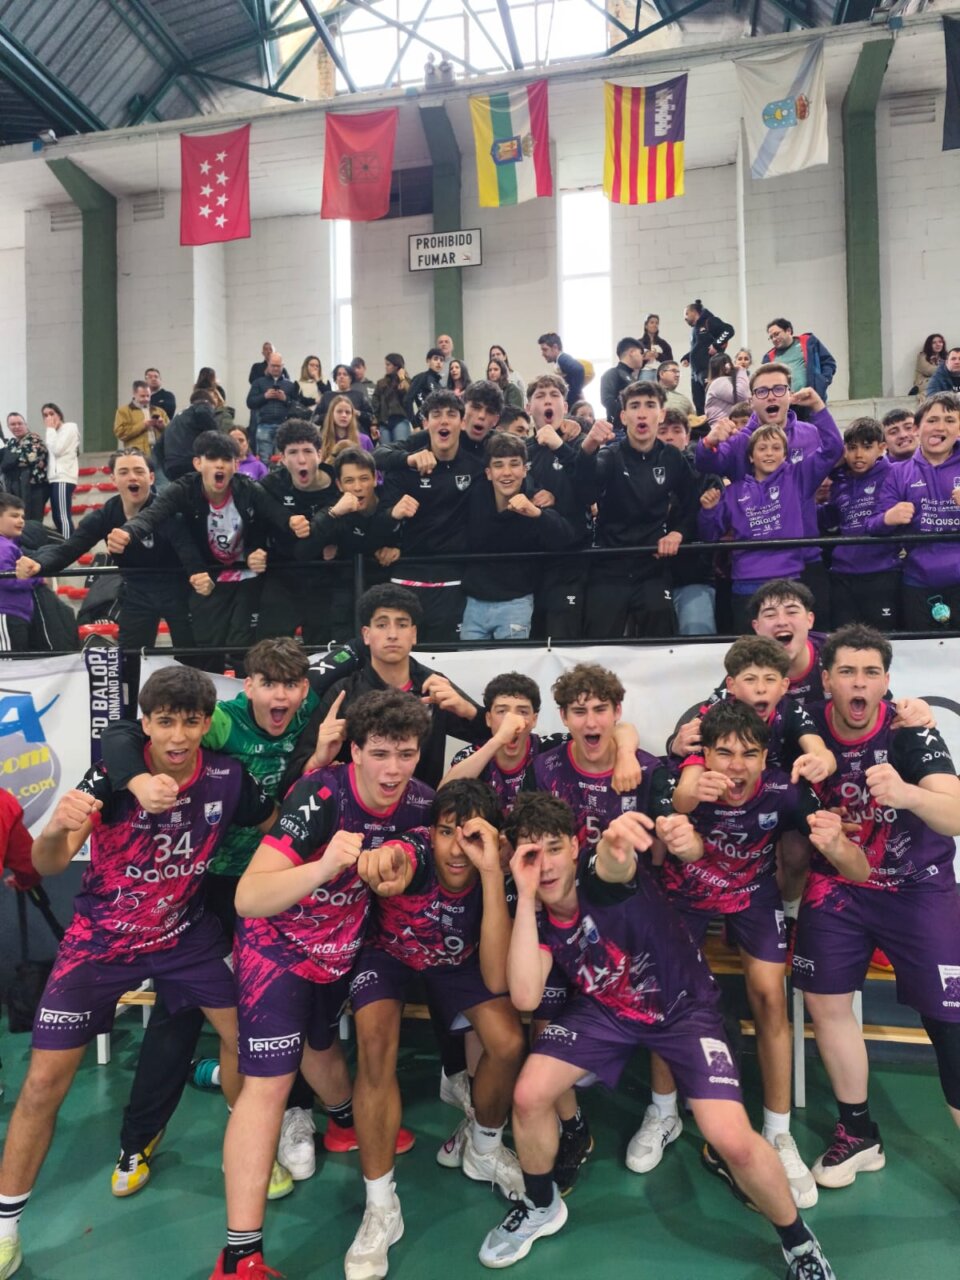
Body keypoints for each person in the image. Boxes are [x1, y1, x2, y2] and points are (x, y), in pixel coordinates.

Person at [477, 792, 837, 1280]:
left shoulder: (599, 877)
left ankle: (799, 1243)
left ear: (577, 846)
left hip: (682, 1010)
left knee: (731, 1138)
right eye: (531, 853)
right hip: (607, 1011)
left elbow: (614, 867)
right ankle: (542, 1206)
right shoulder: (536, 912)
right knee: (528, 1094)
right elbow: (523, 996)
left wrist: (618, 847)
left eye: (555, 848)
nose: (545, 865)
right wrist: (519, 895)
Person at [0, 666, 275, 1280]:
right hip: (99, 943)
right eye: (165, 721)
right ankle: (4, 1227)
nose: (178, 735)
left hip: (187, 936)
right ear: (145, 724)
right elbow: (46, 862)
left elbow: (271, 821)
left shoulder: (228, 777)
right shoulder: (109, 780)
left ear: (208, 724)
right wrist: (56, 826)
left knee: (245, 1039)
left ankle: (253, 1149)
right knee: (45, 1083)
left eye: (191, 721)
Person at [96, 640, 353, 1200]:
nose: (280, 695)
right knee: (178, 1009)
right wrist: (136, 781)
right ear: (248, 685)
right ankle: (137, 1139)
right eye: (268, 683)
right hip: (208, 881)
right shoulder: (218, 724)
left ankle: (287, 1118)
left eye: (291, 685)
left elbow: (353, 655)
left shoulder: (313, 709)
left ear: (304, 690)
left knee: (286, 1003)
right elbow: (122, 737)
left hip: (280, 881)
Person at [212, 691, 433, 1280]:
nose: (392, 769)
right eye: (379, 753)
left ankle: (341, 1121)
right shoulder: (324, 793)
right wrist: (324, 866)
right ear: (354, 750)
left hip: (343, 951)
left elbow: (424, 858)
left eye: (406, 754)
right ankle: (239, 1257)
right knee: (269, 1083)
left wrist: (403, 865)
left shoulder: (421, 803)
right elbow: (249, 896)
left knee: (322, 1046)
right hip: (276, 947)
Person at [655, 701, 863, 1207]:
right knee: (670, 993)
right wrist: (673, 822)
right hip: (685, 895)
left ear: (766, 756)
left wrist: (837, 839)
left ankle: (777, 1131)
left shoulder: (782, 788)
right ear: (703, 755)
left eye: (749, 754)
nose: (736, 766)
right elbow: (658, 838)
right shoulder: (678, 782)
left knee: (771, 996)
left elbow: (846, 855)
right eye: (723, 753)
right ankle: (661, 1112)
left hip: (754, 897)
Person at [795, 625, 960, 1188]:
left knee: (950, 1018)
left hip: (918, 884)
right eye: (847, 672)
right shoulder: (806, 727)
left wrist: (909, 794)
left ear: (887, 681)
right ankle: (859, 1133)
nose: (858, 683)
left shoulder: (910, 729)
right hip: (839, 885)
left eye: (871, 673)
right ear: (827, 680)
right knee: (827, 1003)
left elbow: (958, 815)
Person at [346, 780, 525, 1279]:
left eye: (468, 834)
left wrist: (491, 871)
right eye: (445, 831)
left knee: (509, 1042)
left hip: (457, 962)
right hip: (390, 956)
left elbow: (494, 976)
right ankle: (381, 1206)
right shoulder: (418, 855)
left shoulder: (498, 869)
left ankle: (483, 1150)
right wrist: (389, 864)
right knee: (375, 1043)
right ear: (432, 831)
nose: (454, 847)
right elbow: (397, 859)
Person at [107, 432, 301, 669]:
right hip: (207, 579)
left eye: (227, 459)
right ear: (198, 463)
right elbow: (153, 514)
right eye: (212, 458)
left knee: (245, 652)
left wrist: (285, 528)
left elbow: (273, 514)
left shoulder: (247, 488)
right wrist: (129, 531)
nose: (220, 464)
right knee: (207, 654)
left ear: (236, 465)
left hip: (247, 578)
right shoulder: (183, 489)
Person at [284, 583, 484, 793]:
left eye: (402, 624)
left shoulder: (435, 686)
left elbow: (499, 739)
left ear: (414, 634)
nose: (392, 634)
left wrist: (468, 711)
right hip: (353, 820)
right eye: (382, 625)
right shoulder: (344, 693)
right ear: (366, 635)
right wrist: (318, 759)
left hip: (421, 817)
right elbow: (291, 782)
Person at [696, 365, 842, 621]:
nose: (771, 396)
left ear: (789, 394)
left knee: (814, 637)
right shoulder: (740, 440)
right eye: (762, 391)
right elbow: (708, 465)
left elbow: (833, 449)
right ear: (751, 400)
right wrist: (710, 442)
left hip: (805, 559)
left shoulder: (810, 436)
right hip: (751, 569)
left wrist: (819, 406)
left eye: (778, 389)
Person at [16, 448, 196, 652]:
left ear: (151, 477)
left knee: (192, 655)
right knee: (131, 659)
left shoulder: (170, 511)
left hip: (178, 589)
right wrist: (38, 563)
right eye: (124, 472)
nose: (132, 477)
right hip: (136, 591)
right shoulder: (105, 516)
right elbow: (69, 549)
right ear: (113, 478)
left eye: (139, 471)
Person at [578, 381, 699, 639]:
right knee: (598, 643)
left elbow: (692, 503)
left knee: (659, 637)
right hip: (609, 565)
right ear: (624, 416)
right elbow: (584, 493)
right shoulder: (610, 455)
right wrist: (587, 449)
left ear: (661, 414)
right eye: (634, 406)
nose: (642, 413)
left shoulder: (673, 457)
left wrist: (678, 533)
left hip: (652, 565)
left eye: (650, 405)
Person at [379, 390, 485, 642]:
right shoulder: (406, 466)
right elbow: (377, 523)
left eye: (451, 414)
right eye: (436, 415)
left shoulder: (477, 468)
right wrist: (392, 517)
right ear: (426, 423)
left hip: (454, 581)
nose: (444, 421)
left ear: (462, 421)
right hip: (408, 576)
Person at [460, 433, 575, 642]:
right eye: (498, 465)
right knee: (470, 669)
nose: (506, 473)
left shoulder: (538, 498)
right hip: (475, 601)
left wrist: (537, 514)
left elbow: (566, 537)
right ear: (488, 472)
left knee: (513, 668)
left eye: (514, 464)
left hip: (516, 601)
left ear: (525, 469)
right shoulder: (473, 497)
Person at [868, 391, 960, 629]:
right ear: (918, 428)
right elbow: (873, 526)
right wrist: (888, 518)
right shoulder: (899, 473)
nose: (940, 427)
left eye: (949, 420)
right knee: (923, 658)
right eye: (932, 420)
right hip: (917, 583)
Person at [297, 447, 403, 642]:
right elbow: (303, 550)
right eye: (349, 481)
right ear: (339, 484)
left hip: (385, 600)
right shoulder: (334, 508)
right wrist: (333, 514)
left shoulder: (392, 502)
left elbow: (418, 536)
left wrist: (399, 550)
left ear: (375, 478)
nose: (357, 487)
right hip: (342, 602)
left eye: (363, 478)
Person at [255, 420, 336, 646]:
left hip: (325, 578)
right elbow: (257, 527)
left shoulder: (339, 483)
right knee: (270, 649)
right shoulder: (271, 485)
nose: (301, 459)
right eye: (293, 452)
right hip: (283, 576)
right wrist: (256, 550)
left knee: (323, 651)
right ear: (282, 458)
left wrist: (339, 543)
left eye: (308, 451)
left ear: (320, 454)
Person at [818, 418, 900, 629]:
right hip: (842, 575)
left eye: (867, 447)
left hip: (881, 573)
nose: (859, 454)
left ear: (882, 448)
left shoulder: (894, 475)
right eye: (852, 448)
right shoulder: (840, 482)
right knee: (844, 640)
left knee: (884, 639)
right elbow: (830, 520)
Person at [656, 409, 720, 635]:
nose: (669, 437)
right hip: (648, 577)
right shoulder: (633, 470)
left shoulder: (706, 473)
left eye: (676, 431)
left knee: (697, 633)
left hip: (694, 575)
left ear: (687, 435)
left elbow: (711, 527)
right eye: (662, 431)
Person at [0, 495, 44, 652]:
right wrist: (37, 578)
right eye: (14, 516)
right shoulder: (3, 547)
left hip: (15, 614)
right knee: (8, 668)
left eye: (22, 516)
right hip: (6, 613)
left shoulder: (10, 545)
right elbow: (8, 579)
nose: (21, 521)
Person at [763, 319, 836, 407]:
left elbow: (828, 362)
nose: (774, 339)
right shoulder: (769, 358)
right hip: (787, 407)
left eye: (776, 334)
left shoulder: (809, 342)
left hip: (811, 401)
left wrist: (823, 381)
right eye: (771, 337)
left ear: (788, 331)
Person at [681, 299, 735, 416]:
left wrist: (716, 345)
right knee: (699, 405)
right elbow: (698, 348)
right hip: (695, 374)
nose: (684, 318)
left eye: (686, 314)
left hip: (708, 370)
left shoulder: (709, 321)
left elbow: (729, 330)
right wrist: (688, 357)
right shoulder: (694, 330)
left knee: (712, 401)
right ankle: (704, 431)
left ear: (694, 312)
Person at [153, 390, 220, 483]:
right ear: (209, 402)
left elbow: (157, 448)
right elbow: (204, 415)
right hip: (190, 463)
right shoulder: (203, 406)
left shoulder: (176, 418)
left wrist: (166, 468)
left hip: (172, 468)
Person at [246, 352, 298, 464]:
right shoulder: (258, 383)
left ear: (283, 366)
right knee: (264, 460)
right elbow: (250, 402)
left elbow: (297, 406)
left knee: (284, 461)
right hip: (264, 425)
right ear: (268, 365)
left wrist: (285, 399)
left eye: (278, 366)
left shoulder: (290, 385)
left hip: (284, 426)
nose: (275, 368)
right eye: (273, 365)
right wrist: (265, 396)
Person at [40, 402, 80, 538]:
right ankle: (68, 545)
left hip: (63, 477)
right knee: (57, 517)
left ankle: (69, 549)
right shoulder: (54, 434)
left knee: (63, 517)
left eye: (52, 414)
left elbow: (57, 450)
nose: (49, 418)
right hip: (54, 479)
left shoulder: (69, 427)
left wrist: (50, 429)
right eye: (45, 415)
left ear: (59, 414)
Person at [0, 413, 47, 521]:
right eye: (12, 424)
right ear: (8, 427)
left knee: (32, 521)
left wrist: (11, 460)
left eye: (19, 423)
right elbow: (5, 463)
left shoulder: (34, 439)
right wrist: (12, 460)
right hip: (16, 488)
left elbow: (27, 459)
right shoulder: (12, 442)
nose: (16, 427)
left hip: (35, 488)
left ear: (25, 424)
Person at [113, 382, 168, 459]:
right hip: (136, 454)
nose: (146, 399)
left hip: (159, 453)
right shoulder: (123, 411)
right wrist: (143, 425)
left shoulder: (159, 411)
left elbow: (171, 432)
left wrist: (162, 426)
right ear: (134, 394)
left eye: (148, 396)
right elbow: (121, 433)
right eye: (142, 396)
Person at [318, 364, 374, 434]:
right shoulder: (327, 396)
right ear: (335, 379)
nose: (341, 376)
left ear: (350, 378)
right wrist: (331, 415)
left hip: (355, 435)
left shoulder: (359, 396)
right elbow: (315, 418)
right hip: (330, 436)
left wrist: (357, 413)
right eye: (339, 374)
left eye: (345, 374)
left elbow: (371, 417)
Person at [599, 337, 643, 423]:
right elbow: (607, 401)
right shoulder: (612, 374)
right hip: (619, 431)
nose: (642, 357)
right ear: (632, 352)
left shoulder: (633, 379)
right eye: (641, 353)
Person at [319, 395, 374, 464]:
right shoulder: (321, 441)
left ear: (352, 415)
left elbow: (375, 471)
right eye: (339, 411)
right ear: (331, 414)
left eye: (348, 412)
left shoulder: (365, 440)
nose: (344, 415)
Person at [372, 354, 411, 444]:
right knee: (386, 451)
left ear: (396, 366)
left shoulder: (406, 381)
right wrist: (374, 423)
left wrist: (402, 377)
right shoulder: (381, 383)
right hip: (383, 422)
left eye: (388, 364)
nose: (386, 367)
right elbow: (375, 404)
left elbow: (409, 395)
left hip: (400, 420)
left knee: (401, 448)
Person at [537, 333, 585, 406]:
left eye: (545, 349)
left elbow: (578, 369)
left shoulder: (562, 359)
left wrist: (575, 393)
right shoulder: (559, 361)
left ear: (555, 347)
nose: (542, 354)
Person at [704, 352, 751, 426]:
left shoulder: (719, 382)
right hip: (723, 430)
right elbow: (742, 396)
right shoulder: (718, 382)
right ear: (726, 366)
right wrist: (741, 370)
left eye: (746, 359)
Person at [404, 349, 444, 426]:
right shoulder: (421, 377)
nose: (439, 362)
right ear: (428, 361)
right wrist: (414, 425)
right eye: (435, 359)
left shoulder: (439, 385)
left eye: (441, 360)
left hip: (436, 424)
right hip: (422, 423)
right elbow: (408, 400)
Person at [912, 333, 946, 398]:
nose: (938, 344)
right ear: (929, 345)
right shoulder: (922, 356)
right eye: (934, 343)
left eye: (940, 342)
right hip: (925, 384)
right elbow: (929, 370)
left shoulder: (946, 357)